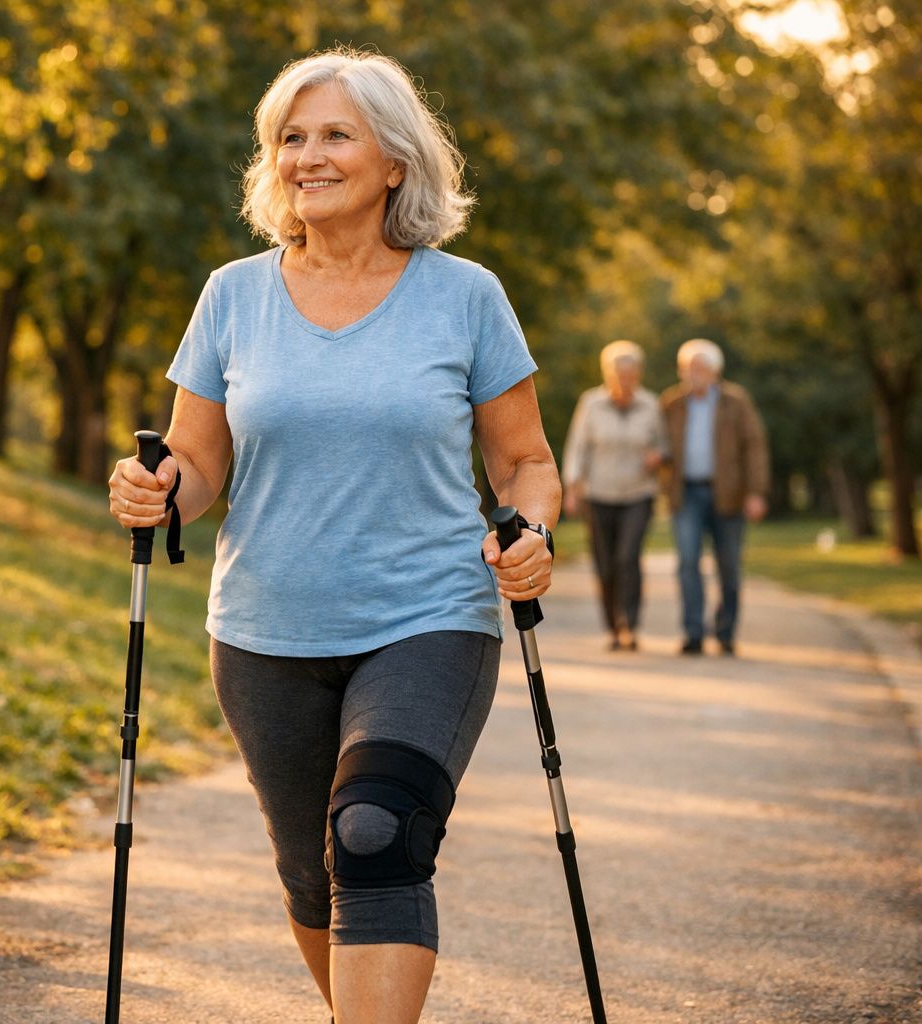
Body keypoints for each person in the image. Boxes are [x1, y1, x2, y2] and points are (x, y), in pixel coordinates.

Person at [106, 49, 559, 1024]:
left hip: (428, 615)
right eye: (290, 138)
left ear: (396, 160)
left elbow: (525, 460)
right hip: (267, 628)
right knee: (315, 877)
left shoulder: (466, 296)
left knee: (374, 833)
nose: (306, 156)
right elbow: (197, 463)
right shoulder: (233, 295)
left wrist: (535, 532)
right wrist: (155, 492)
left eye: (335, 135)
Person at [659, 338, 769, 656]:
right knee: (688, 562)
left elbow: (755, 446)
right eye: (688, 369)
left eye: (700, 369)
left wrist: (756, 492)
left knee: (729, 566)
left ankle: (726, 632)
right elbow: (659, 442)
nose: (694, 374)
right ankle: (693, 632)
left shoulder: (736, 401)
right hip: (687, 493)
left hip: (729, 493)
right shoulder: (672, 402)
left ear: (715, 371)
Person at [560, 340, 667, 651]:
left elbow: (664, 444)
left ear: (638, 373)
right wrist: (573, 487)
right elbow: (578, 447)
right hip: (598, 494)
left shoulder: (651, 404)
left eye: (631, 373)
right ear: (608, 374)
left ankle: (629, 625)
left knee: (628, 558)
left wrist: (658, 456)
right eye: (619, 373)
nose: (625, 379)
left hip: (638, 494)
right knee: (605, 564)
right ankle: (611, 626)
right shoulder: (591, 403)